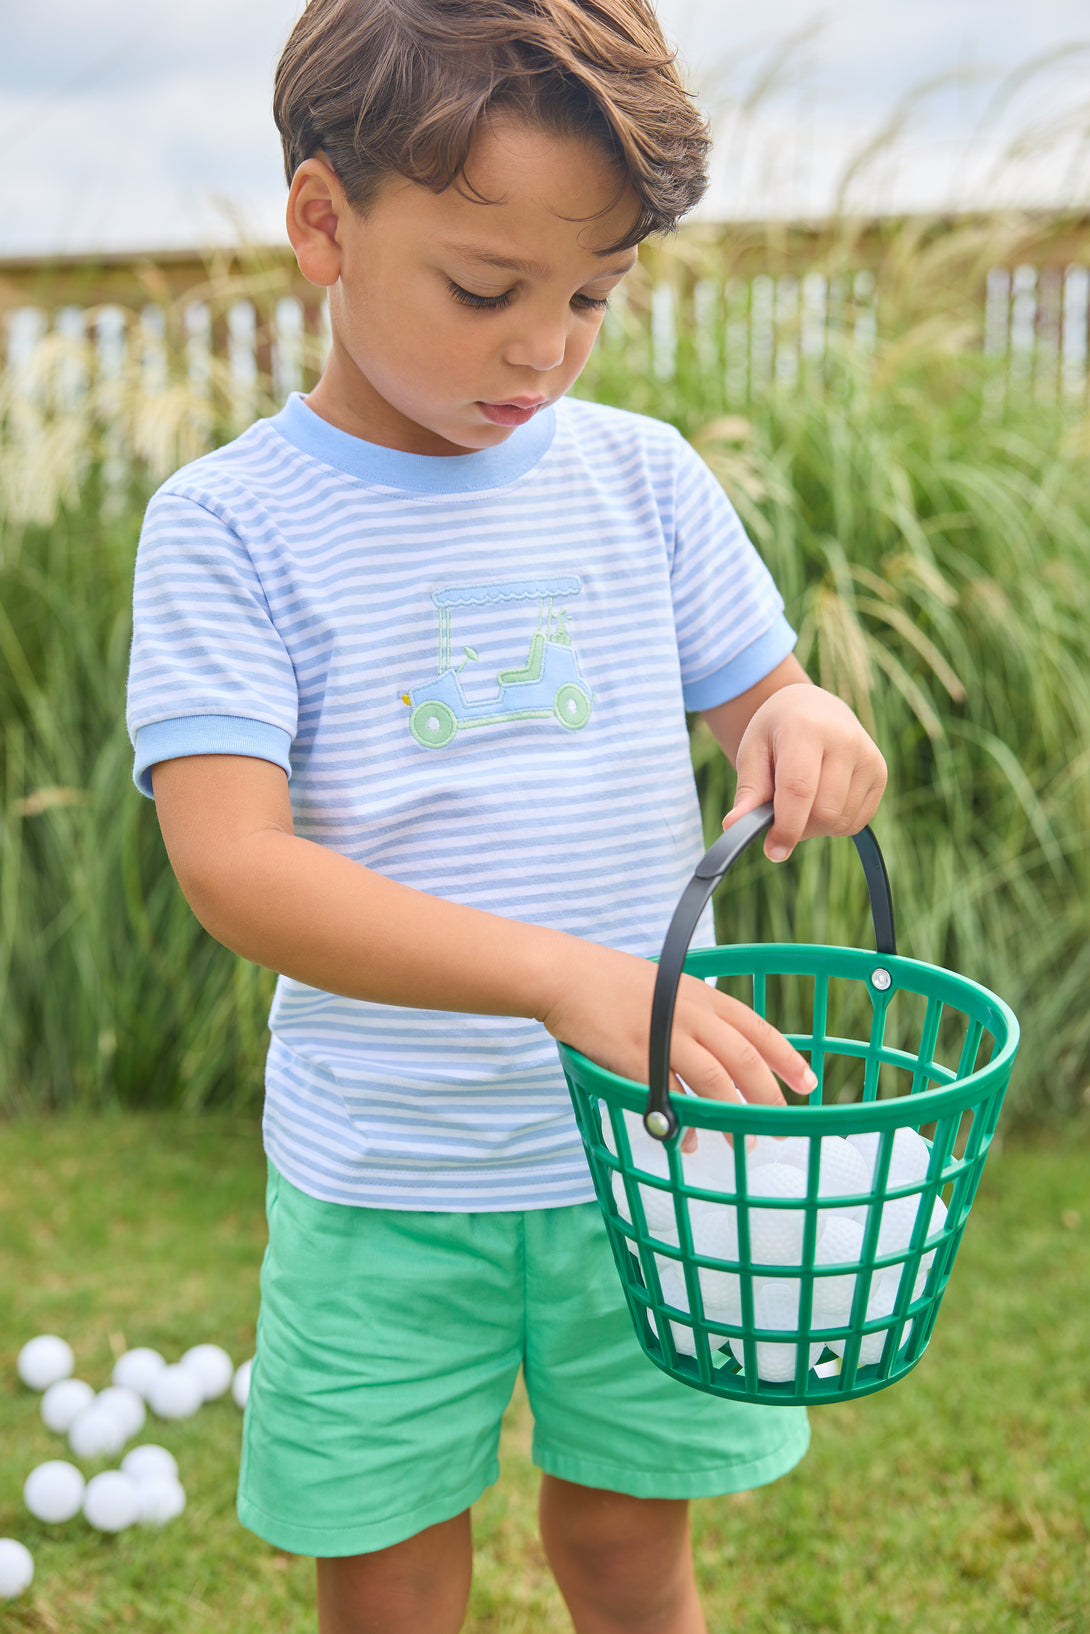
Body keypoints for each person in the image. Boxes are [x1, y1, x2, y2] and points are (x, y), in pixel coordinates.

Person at [126, 2, 887, 1629]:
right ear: (324, 223)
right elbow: (236, 865)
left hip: (652, 1159)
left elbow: (763, 702)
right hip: (384, 1182)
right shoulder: (229, 529)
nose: (543, 347)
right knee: (393, 1581)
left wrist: (807, 721)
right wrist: (561, 975)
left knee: (626, 1548)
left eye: (590, 295)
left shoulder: (644, 481)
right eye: (486, 290)